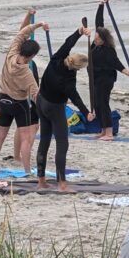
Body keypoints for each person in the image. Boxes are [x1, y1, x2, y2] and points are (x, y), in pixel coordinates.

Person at [35, 22, 94, 192]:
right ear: (78, 68)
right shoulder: (68, 80)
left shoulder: (57, 58)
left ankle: (41, 180)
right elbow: (75, 98)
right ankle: (61, 183)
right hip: (54, 108)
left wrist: (79, 32)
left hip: (41, 102)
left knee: (45, 140)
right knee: (62, 143)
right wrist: (87, 113)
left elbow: (68, 43)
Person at [0, 15, 46, 175]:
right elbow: (35, 95)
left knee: (0, 135)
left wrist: (39, 24)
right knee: (26, 138)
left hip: (3, 99)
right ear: (32, 56)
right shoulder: (26, 73)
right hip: (19, 104)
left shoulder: (11, 53)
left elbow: (22, 33)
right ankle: (27, 172)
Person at [93, 0, 129, 140]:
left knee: (103, 103)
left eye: (97, 38)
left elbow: (116, 63)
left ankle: (109, 132)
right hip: (96, 78)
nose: (95, 39)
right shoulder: (95, 47)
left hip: (106, 79)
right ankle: (103, 130)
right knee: (97, 104)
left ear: (102, 39)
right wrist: (101, 5)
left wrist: (127, 72)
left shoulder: (108, 50)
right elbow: (99, 23)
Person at [12, 9, 41, 169]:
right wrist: (28, 17)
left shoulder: (24, 55)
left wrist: (30, 16)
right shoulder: (19, 54)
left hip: (30, 82)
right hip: (24, 90)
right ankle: (21, 155)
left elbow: (23, 31)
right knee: (27, 125)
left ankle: (21, 154)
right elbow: (22, 31)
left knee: (29, 125)